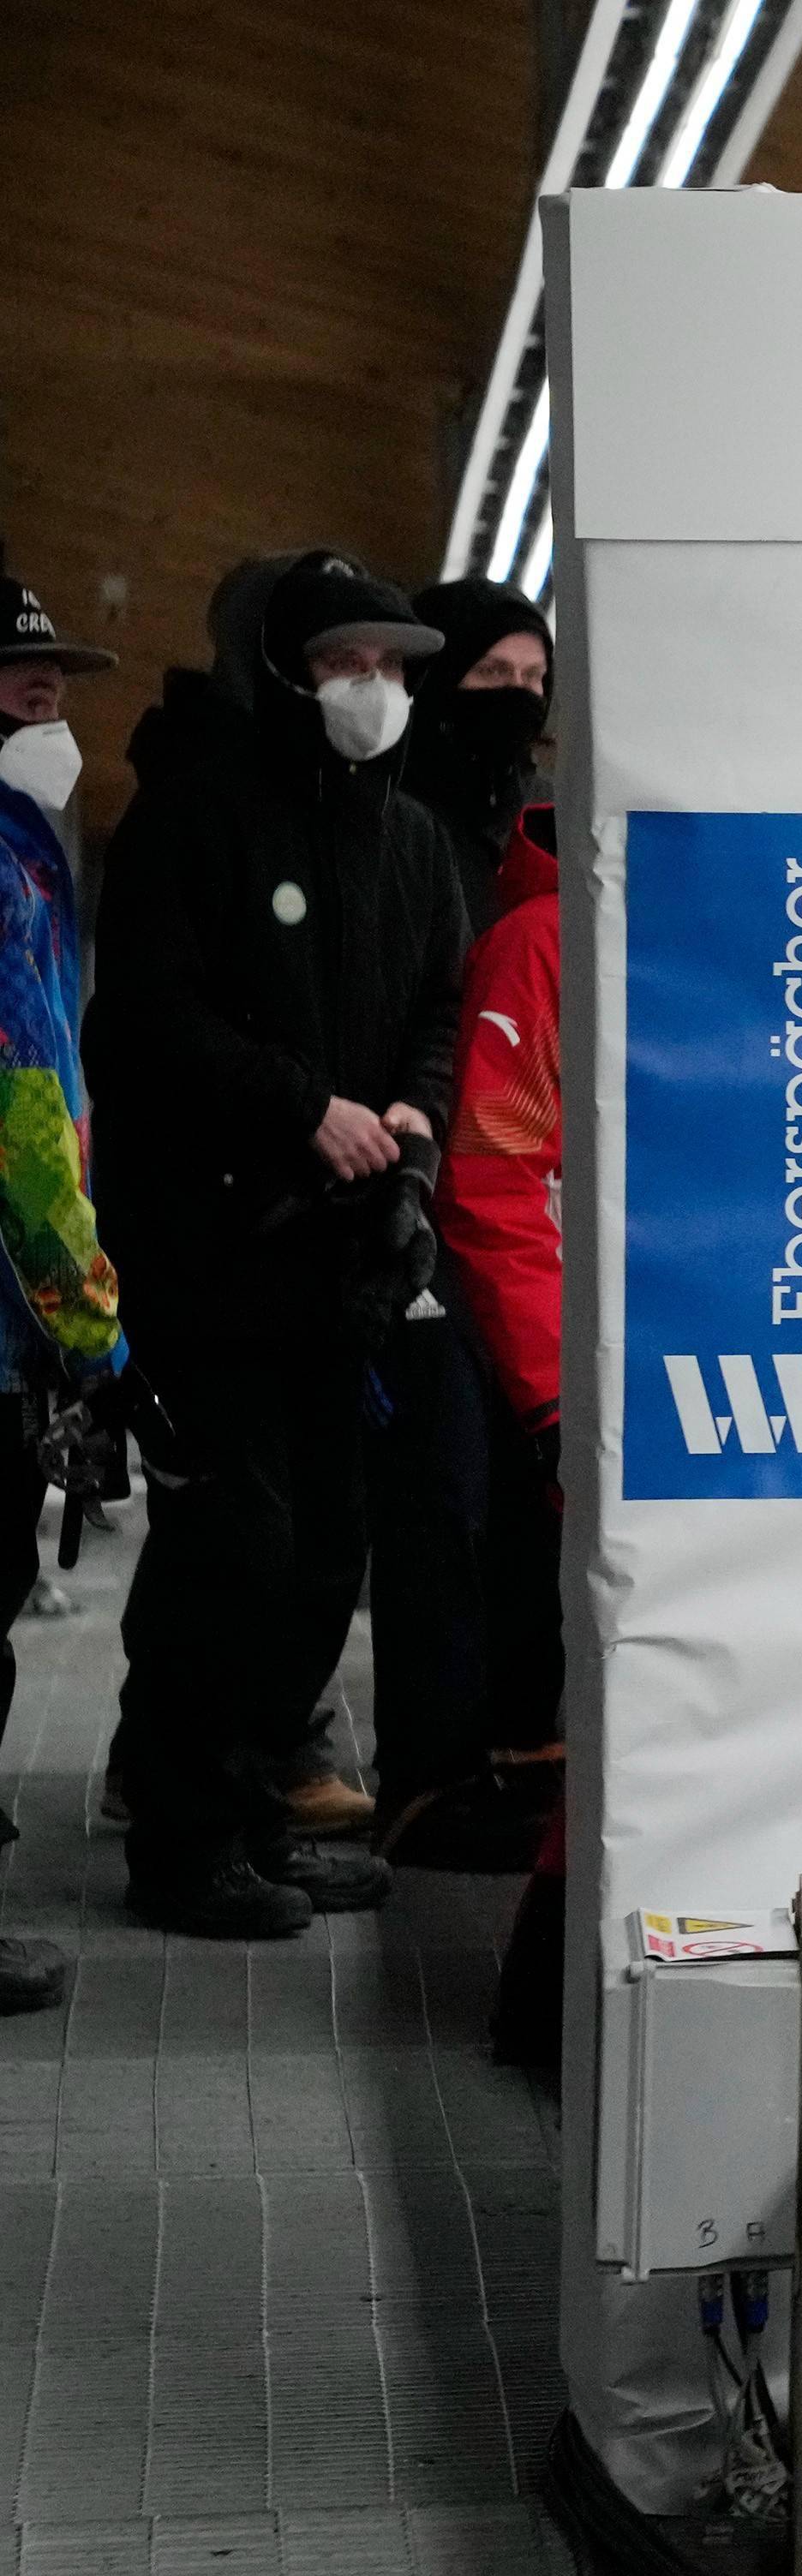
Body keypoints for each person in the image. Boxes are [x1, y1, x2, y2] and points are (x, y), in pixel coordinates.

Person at [86, 549, 465, 1938]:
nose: (374, 690)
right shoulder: (197, 814)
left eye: (391, 666)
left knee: (321, 1552)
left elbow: (437, 1000)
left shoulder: (409, 840)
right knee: (228, 1546)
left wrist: (415, 1123)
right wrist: (302, 1107)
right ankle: (182, 1840)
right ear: (286, 670)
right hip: (214, 1254)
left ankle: (251, 1812)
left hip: (343, 1266)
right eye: (346, 663)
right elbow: (148, 1021)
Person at [378, 797, 568, 1869]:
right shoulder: (538, 945)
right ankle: (445, 1788)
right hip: (499, 1309)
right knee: (469, 1526)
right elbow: (497, 1173)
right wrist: (546, 1382)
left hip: (533, 1309)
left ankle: (515, 1763)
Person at [3, 566, 137, 2015]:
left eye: (52, 675)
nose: (47, 695)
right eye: (16, 675)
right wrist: (89, 1326)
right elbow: (24, 1123)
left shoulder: (26, 851)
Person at [390, 577, 552, 929]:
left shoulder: (551, 816)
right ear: (437, 679)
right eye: (493, 671)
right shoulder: (388, 813)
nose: (518, 691)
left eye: (534, 675)